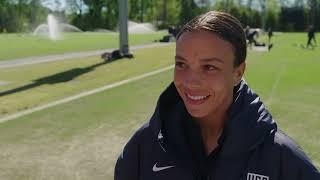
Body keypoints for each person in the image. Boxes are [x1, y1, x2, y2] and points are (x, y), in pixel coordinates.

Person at [114, 11, 320, 180]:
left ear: (238, 73)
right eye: (181, 64)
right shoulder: (144, 146)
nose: (190, 81)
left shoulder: (281, 160)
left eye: (209, 67)